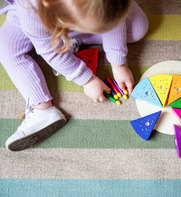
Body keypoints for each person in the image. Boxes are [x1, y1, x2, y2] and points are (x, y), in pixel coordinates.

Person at [0, 0, 149, 152]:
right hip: (36, 18)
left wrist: (118, 64)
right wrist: (87, 79)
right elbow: (49, 51)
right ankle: (42, 109)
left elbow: (114, 19)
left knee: (138, 28)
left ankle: (70, 39)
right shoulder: (31, 9)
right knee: (6, 46)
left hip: (83, 12)